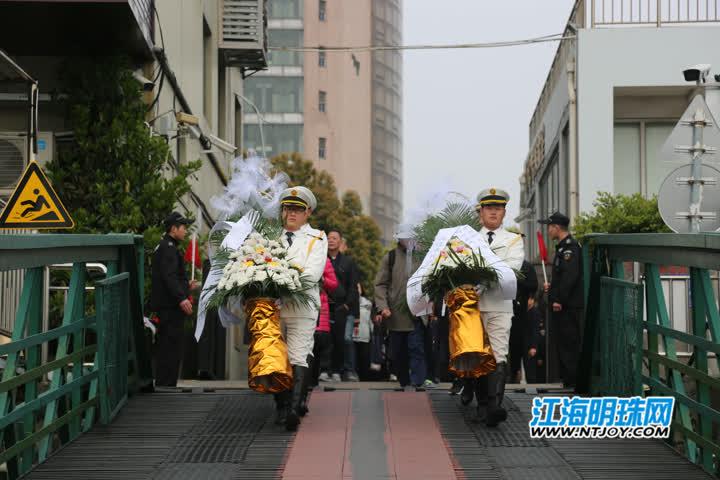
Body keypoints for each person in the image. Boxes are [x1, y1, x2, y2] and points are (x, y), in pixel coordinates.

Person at [471, 188, 524, 427]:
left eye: (498, 208)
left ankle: (494, 405)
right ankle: (481, 403)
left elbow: (510, 270)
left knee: (498, 353)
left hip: (500, 304)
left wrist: (482, 280)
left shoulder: (513, 240)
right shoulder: (468, 239)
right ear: (480, 212)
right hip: (472, 306)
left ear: (504, 212)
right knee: (476, 355)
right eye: (488, 208)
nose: (493, 211)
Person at [277, 186, 329, 431]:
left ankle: (292, 409)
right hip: (275, 307)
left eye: (297, 209)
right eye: (288, 208)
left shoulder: (317, 238)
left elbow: (312, 273)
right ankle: (281, 403)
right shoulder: (270, 238)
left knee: (298, 354)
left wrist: (285, 285)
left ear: (307, 212)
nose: (291, 214)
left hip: (302, 305)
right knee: (276, 356)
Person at [374, 224, 428, 389]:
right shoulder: (390, 257)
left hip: (418, 311)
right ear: (399, 239)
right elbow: (380, 284)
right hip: (395, 314)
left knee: (416, 347)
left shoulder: (423, 257)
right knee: (398, 351)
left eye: (411, 237)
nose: (408, 241)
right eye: (405, 238)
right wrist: (382, 306)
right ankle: (404, 381)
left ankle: (418, 381)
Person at [539, 211, 583, 389]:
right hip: (562, 304)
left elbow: (570, 277)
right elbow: (561, 277)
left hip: (568, 306)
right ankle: (567, 380)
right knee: (563, 343)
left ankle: (573, 382)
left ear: (556, 227)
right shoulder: (562, 247)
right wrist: (552, 288)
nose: (547, 231)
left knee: (569, 344)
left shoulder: (570, 248)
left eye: (549, 227)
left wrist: (559, 299)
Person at [150, 211, 194, 387]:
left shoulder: (167, 246)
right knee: (170, 347)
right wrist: (181, 298)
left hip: (168, 306)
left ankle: (166, 384)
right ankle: (166, 386)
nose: (185, 231)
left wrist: (186, 285)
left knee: (169, 346)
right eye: (183, 227)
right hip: (170, 308)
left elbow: (170, 276)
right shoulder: (168, 248)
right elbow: (169, 276)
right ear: (173, 228)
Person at [327, 229, 361, 382]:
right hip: (327, 308)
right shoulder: (321, 260)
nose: (331, 240)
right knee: (329, 340)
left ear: (340, 242)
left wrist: (348, 306)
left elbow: (353, 286)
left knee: (346, 338)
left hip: (345, 308)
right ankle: (330, 370)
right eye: (329, 238)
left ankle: (349, 370)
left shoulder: (349, 262)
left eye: (334, 238)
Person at [509, 259, 538, 383]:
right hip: (505, 308)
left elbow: (534, 285)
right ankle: (511, 374)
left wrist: (519, 281)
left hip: (521, 311)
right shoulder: (505, 262)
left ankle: (521, 375)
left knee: (521, 342)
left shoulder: (527, 266)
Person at [314, 258, 339, 384]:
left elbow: (334, 284)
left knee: (321, 343)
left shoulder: (324, 260)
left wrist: (323, 279)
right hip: (300, 306)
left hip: (320, 307)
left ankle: (322, 371)